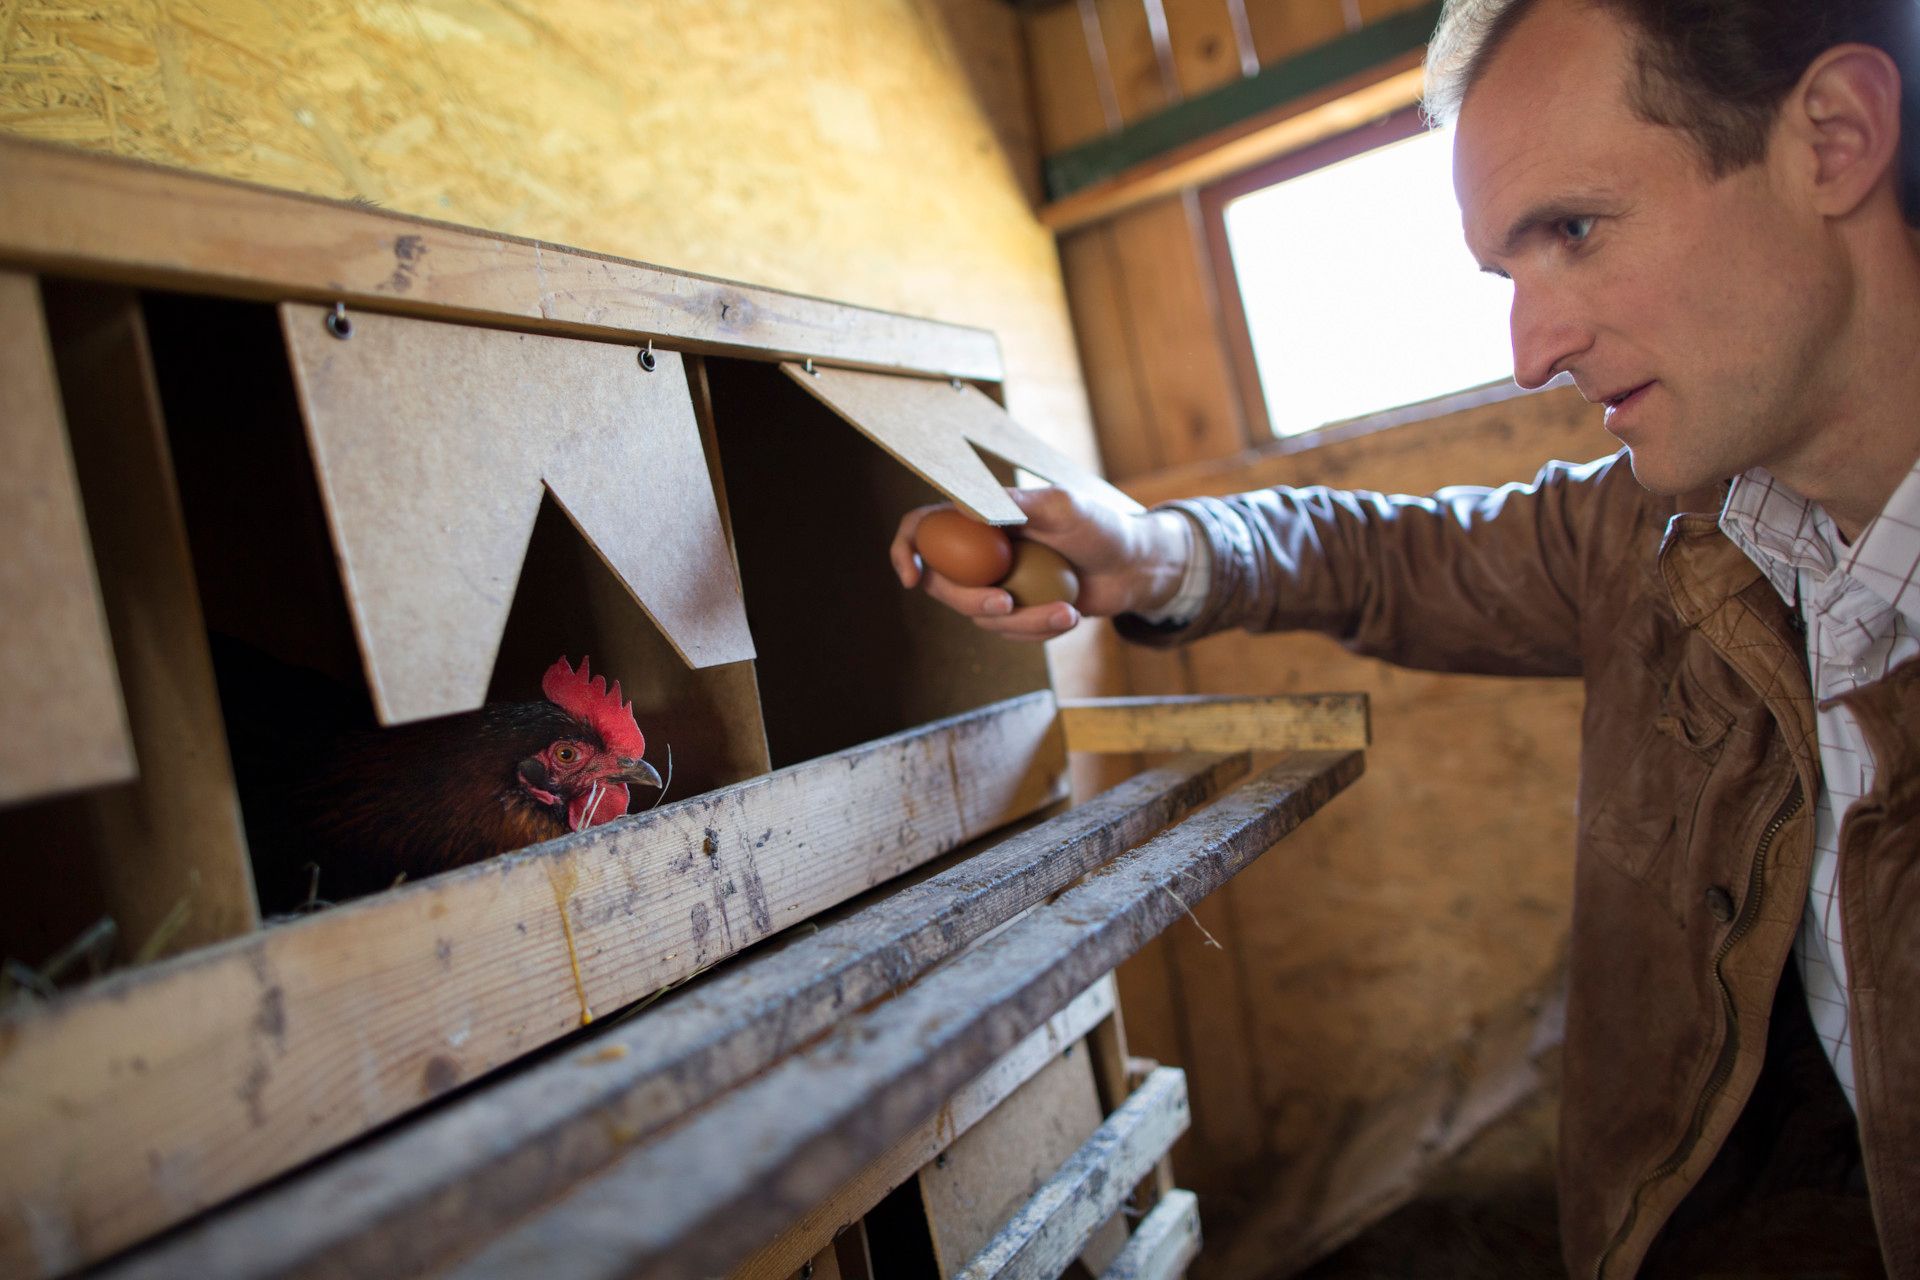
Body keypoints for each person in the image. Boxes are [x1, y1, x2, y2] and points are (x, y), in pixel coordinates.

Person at [892, 1, 1920, 1275]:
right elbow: (1390, 554)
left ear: (1833, 137)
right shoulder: (1670, 529)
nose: (1533, 349)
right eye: (1510, 274)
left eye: (1576, 231)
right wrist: (1149, 550)